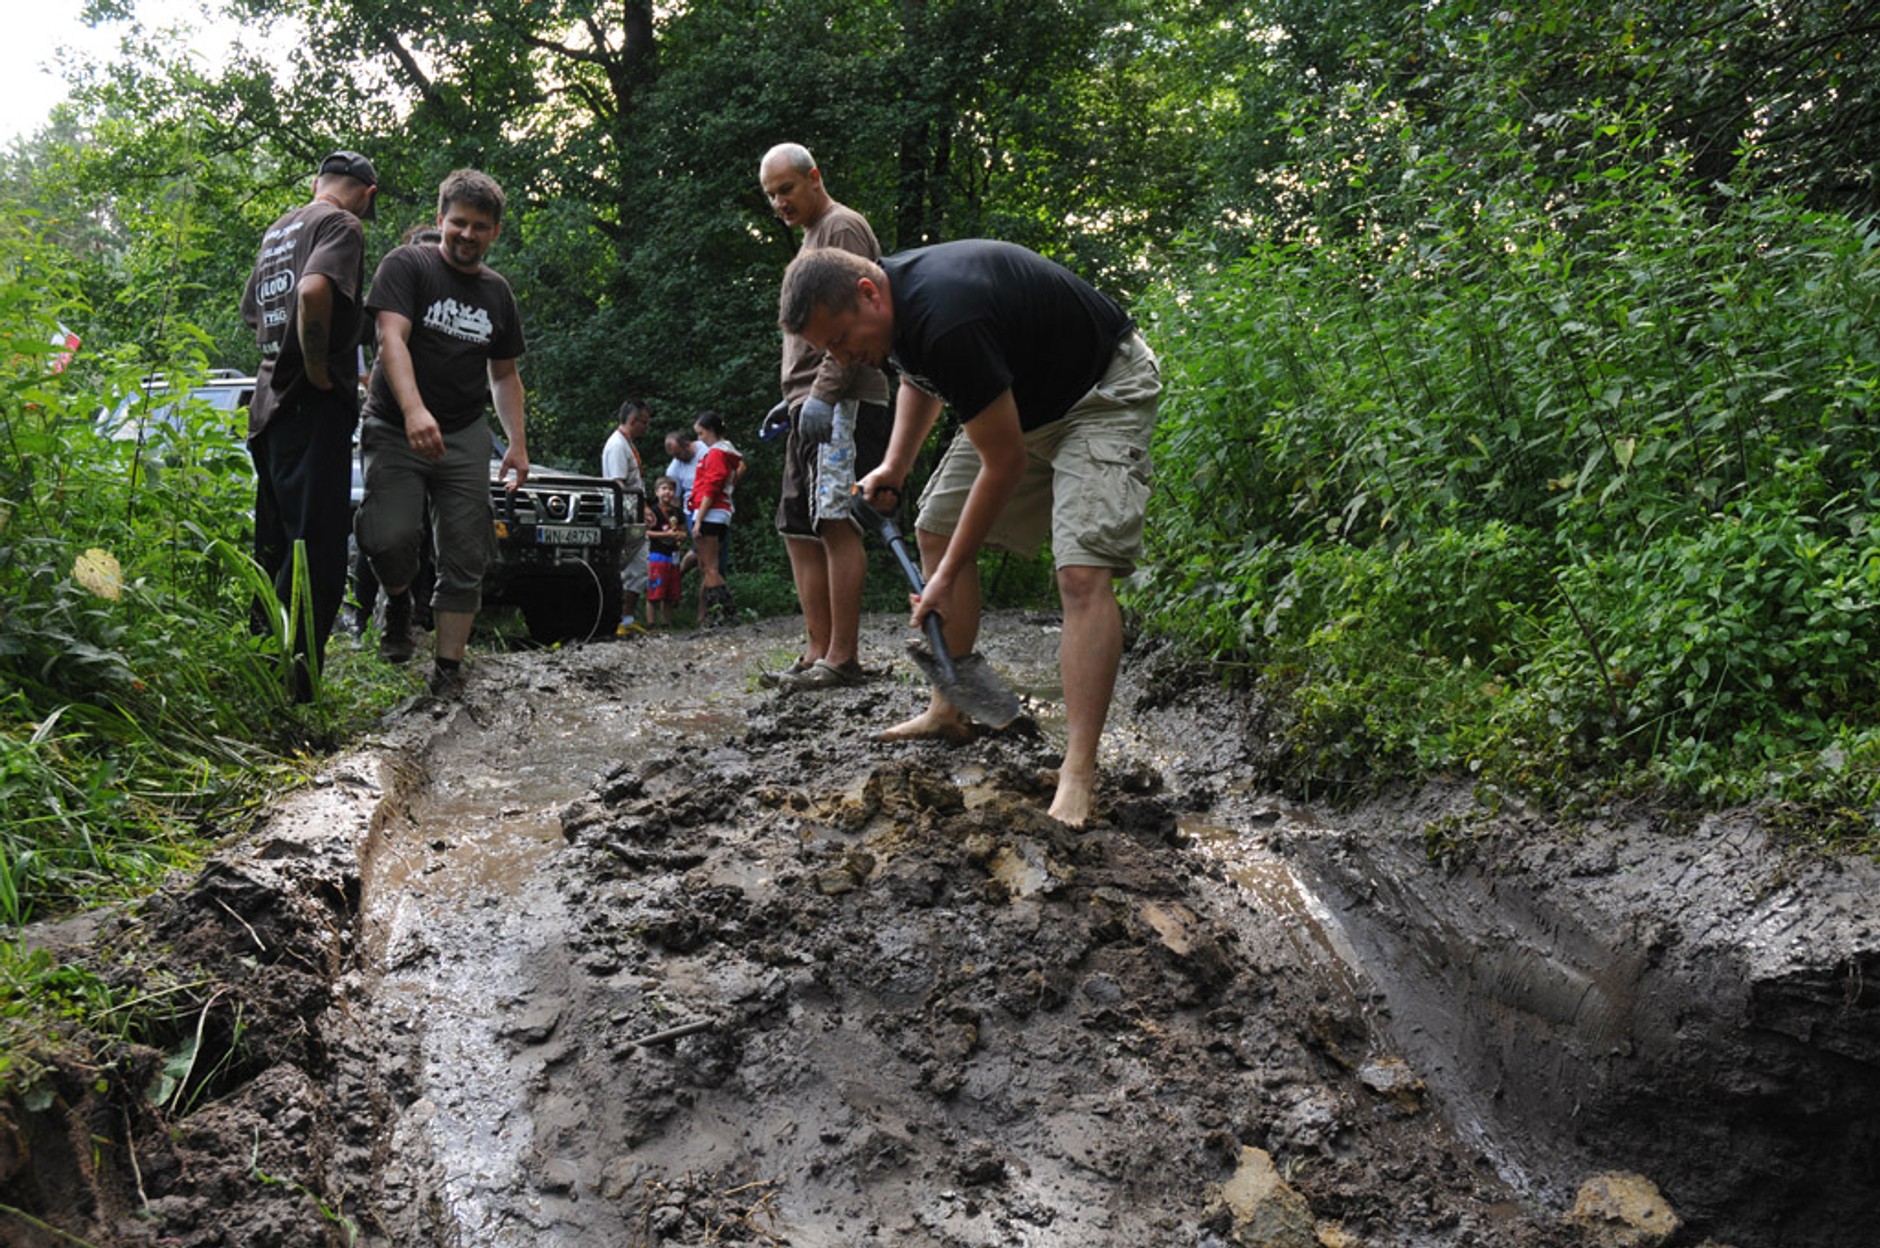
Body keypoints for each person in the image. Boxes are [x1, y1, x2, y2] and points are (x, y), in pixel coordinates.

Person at [779, 240, 1160, 827]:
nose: (841, 356)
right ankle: (950, 708)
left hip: (1099, 393)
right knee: (935, 526)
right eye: (826, 348)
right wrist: (895, 468)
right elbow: (920, 377)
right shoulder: (894, 308)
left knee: (1082, 572)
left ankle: (1079, 771)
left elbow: (1002, 462)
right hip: (1027, 401)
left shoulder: (946, 311)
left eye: (838, 339)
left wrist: (945, 580)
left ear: (866, 293)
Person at [355, 169, 531, 699]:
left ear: (495, 231)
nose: (467, 235)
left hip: (462, 432)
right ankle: (398, 598)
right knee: (390, 537)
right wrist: (413, 412)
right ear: (440, 220)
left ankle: (448, 673)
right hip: (393, 425)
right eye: (458, 223)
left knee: (465, 552)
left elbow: (503, 375)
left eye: (480, 226)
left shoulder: (497, 293)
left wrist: (517, 443)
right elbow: (392, 340)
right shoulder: (406, 266)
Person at [238, 150, 379, 700]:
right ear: (367, 193)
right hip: (310, 407)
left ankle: (258, 674)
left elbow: (254, 310)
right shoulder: (341, 224)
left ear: (317, 182)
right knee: (315, 552)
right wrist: (319, 366)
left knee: (272, 547)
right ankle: (300, 689)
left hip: (269, 407)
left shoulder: (280, 228)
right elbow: (314, 290)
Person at [758, 143, 893, 690]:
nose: (778, 203)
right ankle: (818, 651)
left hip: (844, 400)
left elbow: (851, 329)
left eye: (786, 189)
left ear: (815, 177)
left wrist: (822, 394)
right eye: (770, 195)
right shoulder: (813, 236)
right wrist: (794, 394)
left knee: (834, 519)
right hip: (807, 404)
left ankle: (842, 657)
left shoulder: (841, 229)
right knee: (799, 526)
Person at [601, 398, 653, 636]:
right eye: (644, 422)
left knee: (639, 567)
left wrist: (646, 507)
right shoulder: (617, 446)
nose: (646, 427)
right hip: (625, 517)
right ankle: (620, 619)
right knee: (632, 567)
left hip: (635, 514)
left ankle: (627, 618)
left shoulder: (627, 444)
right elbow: (618, 485)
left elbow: (635, 483)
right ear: (633, 421)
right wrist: (639, 509)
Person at [687, 411, 743, 627]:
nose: (700, 438)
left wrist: (699, 518)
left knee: (710, 568)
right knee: (710, 565)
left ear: (710, 431)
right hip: (720, 512)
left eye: (701, 433)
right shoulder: (728, 453)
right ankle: (722, 614)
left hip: (711, 512)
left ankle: (725, 614)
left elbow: (712, 486)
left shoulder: (716, 454)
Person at [645, 475, 686, 628]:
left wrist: (680, 536)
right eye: (664, 489)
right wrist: (665, 535)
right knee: (655, 590)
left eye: (670, 489)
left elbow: (682, 532)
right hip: (657, 555)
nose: (667, 492)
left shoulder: (677, 512)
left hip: (673, 555)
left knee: (670, 592)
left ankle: (666, 623)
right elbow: (646, 533)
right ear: (656, 492)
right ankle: (651, 623)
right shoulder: (652, 512)